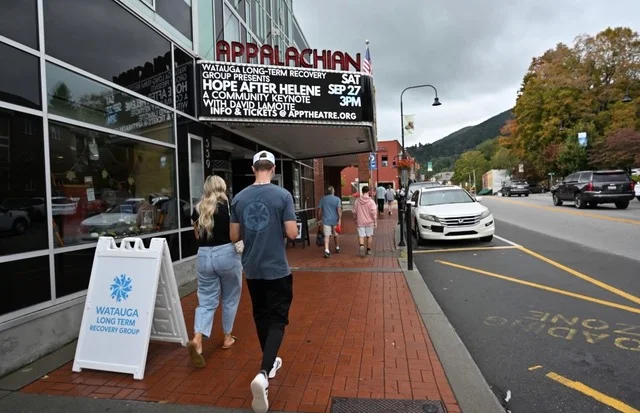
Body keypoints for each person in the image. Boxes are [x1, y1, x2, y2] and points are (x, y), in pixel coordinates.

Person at [230, 150, 298, 413]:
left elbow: (234, 235)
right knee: (278, 319)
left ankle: (268, 364)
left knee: (261, 316)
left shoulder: (239, 197)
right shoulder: (282, 196)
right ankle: (263, 372)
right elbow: (292, 233)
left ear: (253, 168)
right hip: (277, 268)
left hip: (252, 268)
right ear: (273, 168)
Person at [187, 175, 242, 368]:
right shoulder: (229, 207)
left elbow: (196, 235)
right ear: (222, 187)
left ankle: (198, 338)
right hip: (226, 253)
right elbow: (234, 235)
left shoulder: (197, 208)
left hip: (203, 255)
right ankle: (227, 337)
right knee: (230, 297)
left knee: (206, 300)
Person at [317, 186, 342, 258]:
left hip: (326, 220)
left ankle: (326, 250)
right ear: (333, 192)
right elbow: (339, 210)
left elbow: (319, 211)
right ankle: (337, 247)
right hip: (335, 220)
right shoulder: (337, 199)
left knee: (327, 236)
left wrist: (319, 220)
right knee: (336, 234)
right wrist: (339, 218)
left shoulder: (323, 199)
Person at [352, 186, 377, 257]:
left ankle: (361, 246)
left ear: (362, 191)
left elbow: (354, 212)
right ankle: (368, 250)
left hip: (360, 221)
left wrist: (355, 219)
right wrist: (375, 222)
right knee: (369, 236)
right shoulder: (371, 201)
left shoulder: (357, 201)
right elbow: (374, 213)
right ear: (368, 191)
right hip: (369, 222)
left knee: (361, 236)